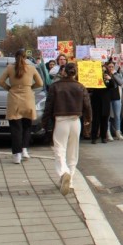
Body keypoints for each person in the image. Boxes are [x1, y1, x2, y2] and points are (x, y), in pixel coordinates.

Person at [43, 62, 92, 196]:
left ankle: (64, 172)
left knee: (59, 149)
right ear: (75, 73)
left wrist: (45, 122)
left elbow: (49, 106)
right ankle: (70, 179)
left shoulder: (55, 86)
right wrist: (88, 120)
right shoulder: (80, 87)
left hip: (61, 120)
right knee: (73, 151)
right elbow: (87, 105)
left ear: (63, 72)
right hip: (76, 120)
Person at [0, 49, 44, 164]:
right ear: (25, 57)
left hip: (14, 100)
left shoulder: (10, 68)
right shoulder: (31, 68)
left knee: (15, 128)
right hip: (28, 99)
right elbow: (40, 83)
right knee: (27, 127)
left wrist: (9, 88)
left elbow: (0, 81)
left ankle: (16, 155)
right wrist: (29, 87)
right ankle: (24, 149)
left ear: (15, 57)